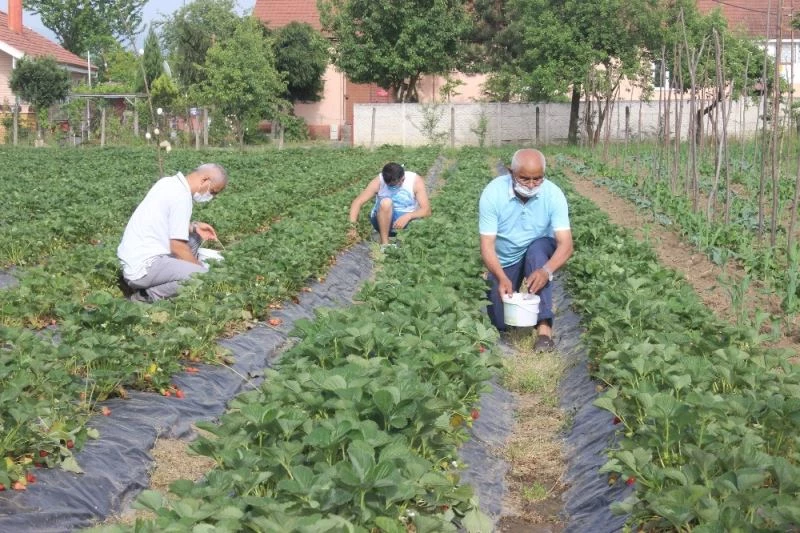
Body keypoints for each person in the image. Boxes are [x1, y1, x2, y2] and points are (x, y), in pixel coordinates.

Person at [479, 149, 573, 352]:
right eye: (524, 179)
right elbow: (487, 245)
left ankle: (544, 331)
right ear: (510, 172)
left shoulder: (553, 194)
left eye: (537, 179)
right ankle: (510, 321)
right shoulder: (493, 194)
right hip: (507, 258)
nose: (531, 185)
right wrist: (501, 276)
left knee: (537, 251)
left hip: (539, 247)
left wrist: (545, 271)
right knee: (501, 323)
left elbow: (566, 244)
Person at [117, 163, 229, 302]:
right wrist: (199, 270)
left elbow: (162, 219)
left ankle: (169, 277)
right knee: (201, 278)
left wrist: (194, 227)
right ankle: (145, 296)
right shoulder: (182, 197)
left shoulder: (168, 183)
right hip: (144, 268)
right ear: (204, 180)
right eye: (212, 192)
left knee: (194, 238)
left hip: (132, 259)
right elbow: (177, 247)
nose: (211, 196)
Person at [348, 162, 431, 245]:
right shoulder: (379, 181)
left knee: (419, 227)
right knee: (386, 202)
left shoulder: (414, 181)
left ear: (403, 179)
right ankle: (385, 244)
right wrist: (352, 227)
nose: (391, 187)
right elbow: (357, 202)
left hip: (406, 222)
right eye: (389, 185)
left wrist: (408, 216)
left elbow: (426, 210)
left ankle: (403, 242)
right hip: (381, 220)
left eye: (394, 185)